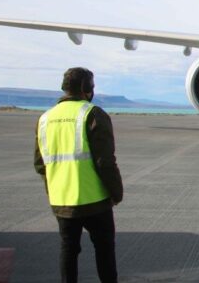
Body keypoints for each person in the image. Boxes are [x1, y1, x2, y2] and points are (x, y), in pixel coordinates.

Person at [34, 67, 123, 283]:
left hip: (62, 201)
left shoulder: (45, 119)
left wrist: (54, 190)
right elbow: (105, 161)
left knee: (69, 251)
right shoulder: (92, 114)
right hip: (95, 200)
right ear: (86, 88)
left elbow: (39, 164)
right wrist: (116, 192)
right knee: (104, 252)